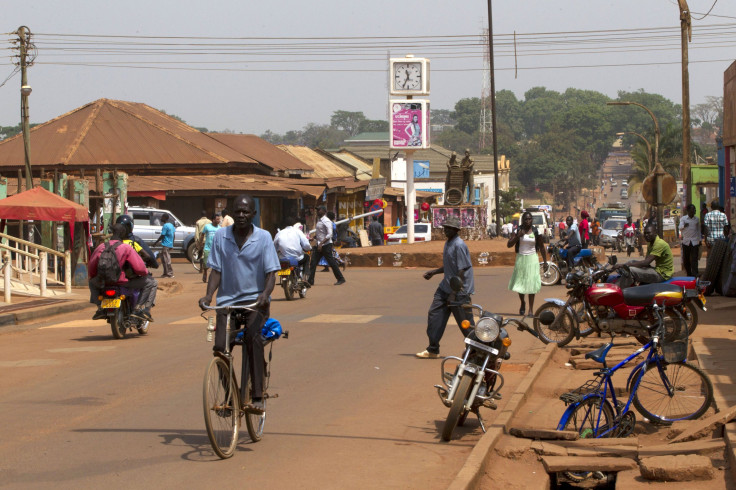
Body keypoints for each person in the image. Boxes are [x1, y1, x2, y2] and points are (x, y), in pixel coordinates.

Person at [198, 194, 280, 414]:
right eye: (238, 211)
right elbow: (216, 270)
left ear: (253, 214)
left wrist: (265, 294)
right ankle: (231, 393)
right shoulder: (221, 237)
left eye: (246, 212)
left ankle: (256, 395)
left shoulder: (263, 238)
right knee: (220, 348)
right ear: (231, 214)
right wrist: (208, 297)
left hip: (255, 303)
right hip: (227, 303)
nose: (241, 215)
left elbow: (272, 273)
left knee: (253, 339)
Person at [416, 216, 474, 359]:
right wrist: (434, 272)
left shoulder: (459, 245)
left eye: (449, 228)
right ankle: (433, 349)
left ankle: (476, 349)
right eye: (445, 228)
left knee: (465, 323)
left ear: (456, 230)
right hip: (445, 287)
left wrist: (454, 292)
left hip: (459, 291)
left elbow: (461, 270)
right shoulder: (448, 243)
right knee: (434, 315)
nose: (446, 230)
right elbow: (450, 266)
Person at [89, 224, 158, 322]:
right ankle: (139, 310)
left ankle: (100, 308)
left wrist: (95, 278)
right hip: (122, 282)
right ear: (123, 234)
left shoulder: (101, 246)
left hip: (103, 282)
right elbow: (139, 269)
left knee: (91, 283)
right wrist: (145, 273)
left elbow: (91, 267)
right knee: (152, 282)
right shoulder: (126, 247)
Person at [507, 211, 548, 316]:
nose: (528, 221)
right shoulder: (517, 230)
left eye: (530, 219)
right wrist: (517, 236)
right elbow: (509, 245)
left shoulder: (535, 231)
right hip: (521, 258)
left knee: (531, 283)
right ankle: (522, 302)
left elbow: (542, 247)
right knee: (520, 283)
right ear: (522, 220)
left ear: (532, 220)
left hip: (532, 259)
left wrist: (545, 262)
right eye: (526, 219)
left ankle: (530, 309)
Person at [614, 223, 674, 288]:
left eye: (649, 233)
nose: (646, 235)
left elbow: (646, 263)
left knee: (631, 270)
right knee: (632, 261)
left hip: (662, 274)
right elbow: (645, 263)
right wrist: (627, 265)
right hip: (658, 270)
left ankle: (616, 290)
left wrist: (624, 265)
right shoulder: (651, 243)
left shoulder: (659, 244)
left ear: (655, 233)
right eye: (645, 233)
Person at [308, 206, 346, 286]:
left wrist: (321, 243)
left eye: (319, 210)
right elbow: (321, 233)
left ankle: (341, 278)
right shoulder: (319, 221)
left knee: (331, 262)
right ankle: (310, 281)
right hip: (319, 244)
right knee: (313, 262)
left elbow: (329, 234)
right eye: (317, 210)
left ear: (324, 211)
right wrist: (314, 238)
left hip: (326, 245)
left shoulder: (327, 221)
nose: (318, 211)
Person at [273, 215, 312, 280]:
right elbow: (306, 244)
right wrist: (309, 248)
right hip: (297, 258)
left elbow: (274, 246)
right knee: (307, 257)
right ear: (293, 223)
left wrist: (277, 251)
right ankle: (305, 275)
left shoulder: (279, 233)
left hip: (283, 259)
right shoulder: (298, 231)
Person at [679, 203, 701, 277]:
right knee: (686, 259)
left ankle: (695, 273)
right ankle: (689, 273)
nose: (694, 211)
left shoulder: (697, 219)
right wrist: (684, 226)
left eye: (694, 210)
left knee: (694, 259)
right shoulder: (683, 219)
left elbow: (698, 230)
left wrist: (700, 240)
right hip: (686, 242)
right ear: (688, 211)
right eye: (692, 210)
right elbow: (680, 227)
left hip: (694, 242)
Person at [200, 214, 221, 283]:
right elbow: (202, 235)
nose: (219, 220)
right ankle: (205, 272)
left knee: (215, 264)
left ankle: (212, 277)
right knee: (206, 264)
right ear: (213, 220)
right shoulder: (207, 227)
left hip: (216, 249)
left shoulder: (219, 228)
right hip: (207, 248)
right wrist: (201, 244)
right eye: (217, 219)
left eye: (219, 219)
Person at [153, 213, 175, 278]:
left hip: (166, 245)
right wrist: (172, 244)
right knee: (164, 259)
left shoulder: (165, 226)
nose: (161, 218)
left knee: (166, 259)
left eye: (162, 217)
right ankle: (165, 273)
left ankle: (169, 273)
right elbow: (174, 235)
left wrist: (155, 242)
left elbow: (162, 235)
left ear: (165, 218)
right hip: (169, 244)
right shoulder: (171, 225)